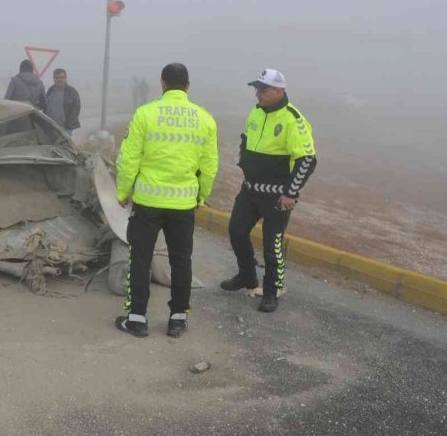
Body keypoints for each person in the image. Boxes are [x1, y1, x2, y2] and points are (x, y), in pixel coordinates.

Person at [114, 63, 219, 338]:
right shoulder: (205, 119)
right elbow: (209, 165)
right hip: (183, 205)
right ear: (187, 86)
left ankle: (136, 319)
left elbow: (128, 158)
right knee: (181, 261)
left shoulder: (145, 114)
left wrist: (123, 192)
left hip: (148, 202)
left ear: (162, 83)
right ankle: (177, 319)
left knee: (140, 259)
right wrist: (201, 196)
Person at [221, 69, 317, 313]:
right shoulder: (255, 112)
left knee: (271, 244)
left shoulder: (293, 119)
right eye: (257, 89)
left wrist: (291, 193)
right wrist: (245, 162)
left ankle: (272, 291)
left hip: (277, 196)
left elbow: (307, 159)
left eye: (263, 89)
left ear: (279, 91)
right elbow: (245, 139)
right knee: (236, 230)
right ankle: (247, 276)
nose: (257, 94)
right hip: (250, 190)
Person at [44, 68, 81, 135]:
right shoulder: (50, 91)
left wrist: (70, 121)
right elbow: (46, 107)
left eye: (62, 77)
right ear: (54, 78)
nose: (59, 79)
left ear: (65, 78)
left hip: (66, 127)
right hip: (51, 126)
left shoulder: (71, 92)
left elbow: (77, 107)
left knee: (64, 145)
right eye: (57, 77)